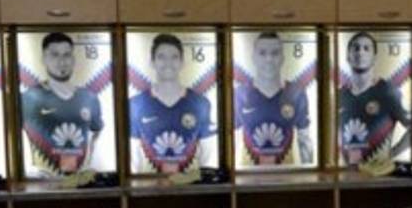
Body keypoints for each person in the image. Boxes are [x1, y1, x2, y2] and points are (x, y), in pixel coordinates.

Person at [128, 34, 215, 174]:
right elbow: (131, 163)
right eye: (161, 57)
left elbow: (210, 159)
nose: (168, 63)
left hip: (190, 185)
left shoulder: (201, 104)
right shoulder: (135, 105)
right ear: (152, 62)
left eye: (174, 57)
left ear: (182, 62)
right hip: (147, 186)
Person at [20, 31, 104, 176]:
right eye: (55, 55)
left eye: (67, 55)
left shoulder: (89, 98)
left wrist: (90, 165)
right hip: (42, 182)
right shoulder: (29, 98)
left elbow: (97, 135)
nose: (62, 62)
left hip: (80, 181)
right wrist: (30, 169)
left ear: (73, 59)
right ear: (44, 59)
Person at [234, 32, 313, 166]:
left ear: (282, 58)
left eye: (275, 53)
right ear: (254, 58)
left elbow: (304, 138)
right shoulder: (239, 94)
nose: (269, 59)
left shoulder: (296, 93)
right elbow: (231, 139)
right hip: (247, 172)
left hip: (287, 171)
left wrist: (308, 170)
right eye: (262, 53)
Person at [338, 31, 411, 165]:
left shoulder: (388, 92)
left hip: (378, 174)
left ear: (374, 58)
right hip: (345, 174)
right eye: (356, 48)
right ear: (348, 57)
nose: (360, 52)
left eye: (366, 48)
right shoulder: (339, 96)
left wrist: (392, 154)